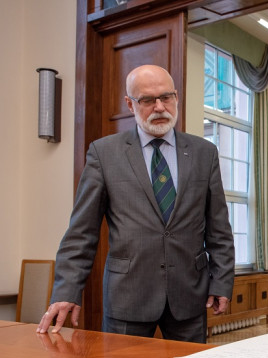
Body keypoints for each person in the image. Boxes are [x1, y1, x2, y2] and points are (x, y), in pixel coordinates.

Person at [36, 65, 234, 343]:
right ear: (130, 104)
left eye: (166, 97)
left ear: (176, 97)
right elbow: (81, 232)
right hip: (128, 298)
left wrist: (222, 282)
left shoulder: (204, 153)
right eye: (147, 100)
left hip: (189, 296)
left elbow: (219, 229)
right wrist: (66, 291)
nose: (159, 107)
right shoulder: (104, 153)